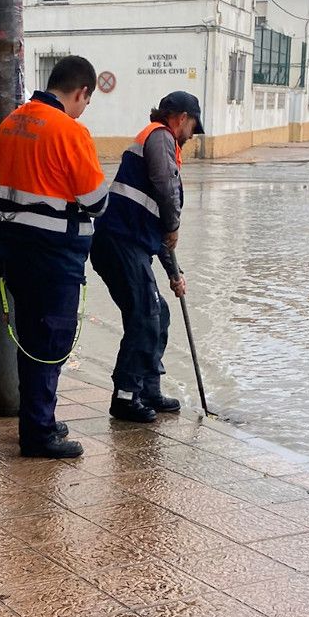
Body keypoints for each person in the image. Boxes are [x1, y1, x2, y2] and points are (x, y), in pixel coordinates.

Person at [0, 56, 109, 458]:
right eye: (86, 101)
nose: (83, 108)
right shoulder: (70, 132)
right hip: (54, 254)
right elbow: (95, 202)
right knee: (50, 342)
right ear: (81, 92)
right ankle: (39, 433)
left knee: (30, 338)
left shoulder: (11, 123)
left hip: (15, 249)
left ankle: (38, 418)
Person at [90, 91, 202, 423]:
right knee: (145, 314)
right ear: (181, 118)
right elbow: (166, 191)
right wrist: (174, 223)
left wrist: (173, 273)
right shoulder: (160, 138)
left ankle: (147, 388)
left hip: (130, 244)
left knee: (159, 314)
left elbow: (161, 229)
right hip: (118, 242)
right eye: (194, 125)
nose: (194, 135)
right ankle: (125, 396)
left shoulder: (163, 143)